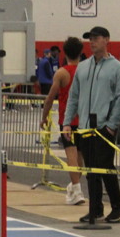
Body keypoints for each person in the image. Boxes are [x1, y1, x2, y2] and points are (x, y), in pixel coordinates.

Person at [62, 26, 120, 224]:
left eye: (96, 38)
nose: (92, 42)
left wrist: (111, 125)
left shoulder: (117, 68)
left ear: (106, 39)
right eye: (90, 38)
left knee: (105, 167)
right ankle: (95, 209)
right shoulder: (83, 67)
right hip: (85, 126)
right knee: (91, 170)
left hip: (103, 128)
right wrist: (67, 122)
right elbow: (73, 96)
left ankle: (117, 207)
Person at [40, 36, 86, 206]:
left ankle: (77, 190)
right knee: (79, 155)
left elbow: (50, 98)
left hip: (67, 120)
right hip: (84, 119)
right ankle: (75, 187)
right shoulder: (86, 71)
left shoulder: (62, 73)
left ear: (64, 53)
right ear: (81, 52)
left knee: (71, 154)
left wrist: (44, 117)